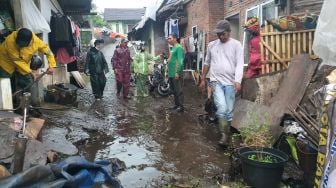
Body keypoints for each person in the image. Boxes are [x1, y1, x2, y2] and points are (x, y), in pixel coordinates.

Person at [200, 20, 244, 146]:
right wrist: (203, 78)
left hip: (231, 82)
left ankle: (227, 132)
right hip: (216, 81)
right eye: (218, 34)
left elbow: (240, 64)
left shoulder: (236, 45)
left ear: (229, 32)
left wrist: (238, 80)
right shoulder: (212, 45)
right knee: (222, 108)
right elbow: (207, 62)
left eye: (223, 34)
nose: (220, 36)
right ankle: (224, 135)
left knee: (229, 110)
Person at [0, 28, 56, 92]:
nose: (21, 46)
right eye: (19, 44)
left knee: (27, 82)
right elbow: (17, 61)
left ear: (30, 41)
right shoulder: (10, 41)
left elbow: (48, 52)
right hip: (6, 63)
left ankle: (22, 98)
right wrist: (31, 72)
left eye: (24, 45)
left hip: (23, 64)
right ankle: (7, 99)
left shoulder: (36, 42)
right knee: (5, 83)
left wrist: (52, 65)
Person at [167, 33, 184, 112]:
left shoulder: (179, 47)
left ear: (175, 38)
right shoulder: (173, 48)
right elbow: (171, 59)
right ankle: (176, 105)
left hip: (176, 72)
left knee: (178, 90)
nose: (168, 40)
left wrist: (177, 72)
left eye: (170, 38)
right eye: (168, 38)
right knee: (174, 90)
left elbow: (180, 61)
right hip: (171, 72)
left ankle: (181, 107)